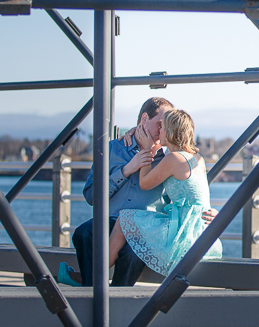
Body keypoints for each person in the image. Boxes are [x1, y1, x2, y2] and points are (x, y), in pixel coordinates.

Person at [60, 97, 215, 287]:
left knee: (134, 253)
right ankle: (92, 289)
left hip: (147, 226)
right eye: (160, 123)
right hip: (111, 219)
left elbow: (184, 191)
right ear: (143, 118)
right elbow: (91, 196)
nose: (161, 130)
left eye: (165, 125)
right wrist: (126, 170)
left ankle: (110, 295)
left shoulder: (168, 157)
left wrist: (205, 211)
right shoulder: (112, 149)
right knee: (83, 234)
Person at [109, 109, 222, 275]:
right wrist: (133, 130)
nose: (159, 131)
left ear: (169, 132)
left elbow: (144, 183)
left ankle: (95, 276)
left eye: (162, 127)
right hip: (199, 227)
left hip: (183, 231)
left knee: (123, 220)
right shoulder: (197, 158)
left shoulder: (173, 159)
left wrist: (146, 150)